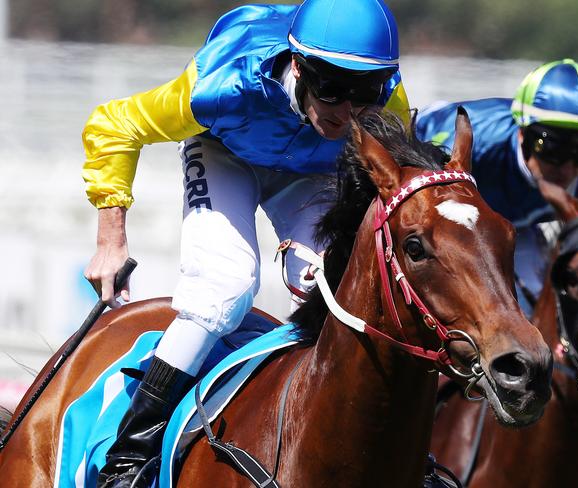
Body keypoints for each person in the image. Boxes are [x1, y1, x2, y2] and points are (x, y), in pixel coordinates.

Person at [82, 0, 410, 486]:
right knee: (224, 289)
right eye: (333, 89)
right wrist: (111, 240)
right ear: (298, 66)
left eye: (364, 93)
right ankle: (128, 459)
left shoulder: (390, 106)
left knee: (343, 288)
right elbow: (113, 126)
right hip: (223, 150)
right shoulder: (219, 88)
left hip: (313, 172)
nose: (346, 112)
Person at [416, 59, 578, 317]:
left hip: (518, 228)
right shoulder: (477, 145)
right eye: (552, 148)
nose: (567, 168)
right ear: (522, 133)